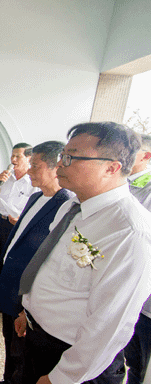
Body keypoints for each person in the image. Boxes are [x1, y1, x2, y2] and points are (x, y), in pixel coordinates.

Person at [17, 122, 151, 384]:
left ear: (111, 168)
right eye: (62, 156)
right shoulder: (72, 205)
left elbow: (110, 324)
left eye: (71, 158)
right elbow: (49, 266)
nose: (60, 165)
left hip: (73, 362)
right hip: (38, 338)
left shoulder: (129, 231)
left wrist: (64, 377)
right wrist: (28, 310)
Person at [0, 141, 73, 384]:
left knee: (24, 353)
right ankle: (7, 380)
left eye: (35, 166)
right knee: (10, 343)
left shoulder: (66, 205)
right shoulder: (36, 197)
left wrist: (27, 301)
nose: (29, 170)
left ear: (55, 167)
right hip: (12, 285)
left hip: (28, 294)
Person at [0, 143, 38, 314]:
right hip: (0, 220)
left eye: (18, 156)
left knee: (6, 261)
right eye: (13, 155)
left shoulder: (32, 182)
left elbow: (33, 208)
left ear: (29, 159)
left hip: (16, 225)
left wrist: (20, 220)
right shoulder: (7, 177)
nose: (13, 159)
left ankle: (0, 299)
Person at [123, 133, 151, 384]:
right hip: (131, 294)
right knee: (131, 358)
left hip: (146, 298)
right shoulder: (122, 182)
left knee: (142, 365)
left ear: (147, 156)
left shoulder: (148, 188)